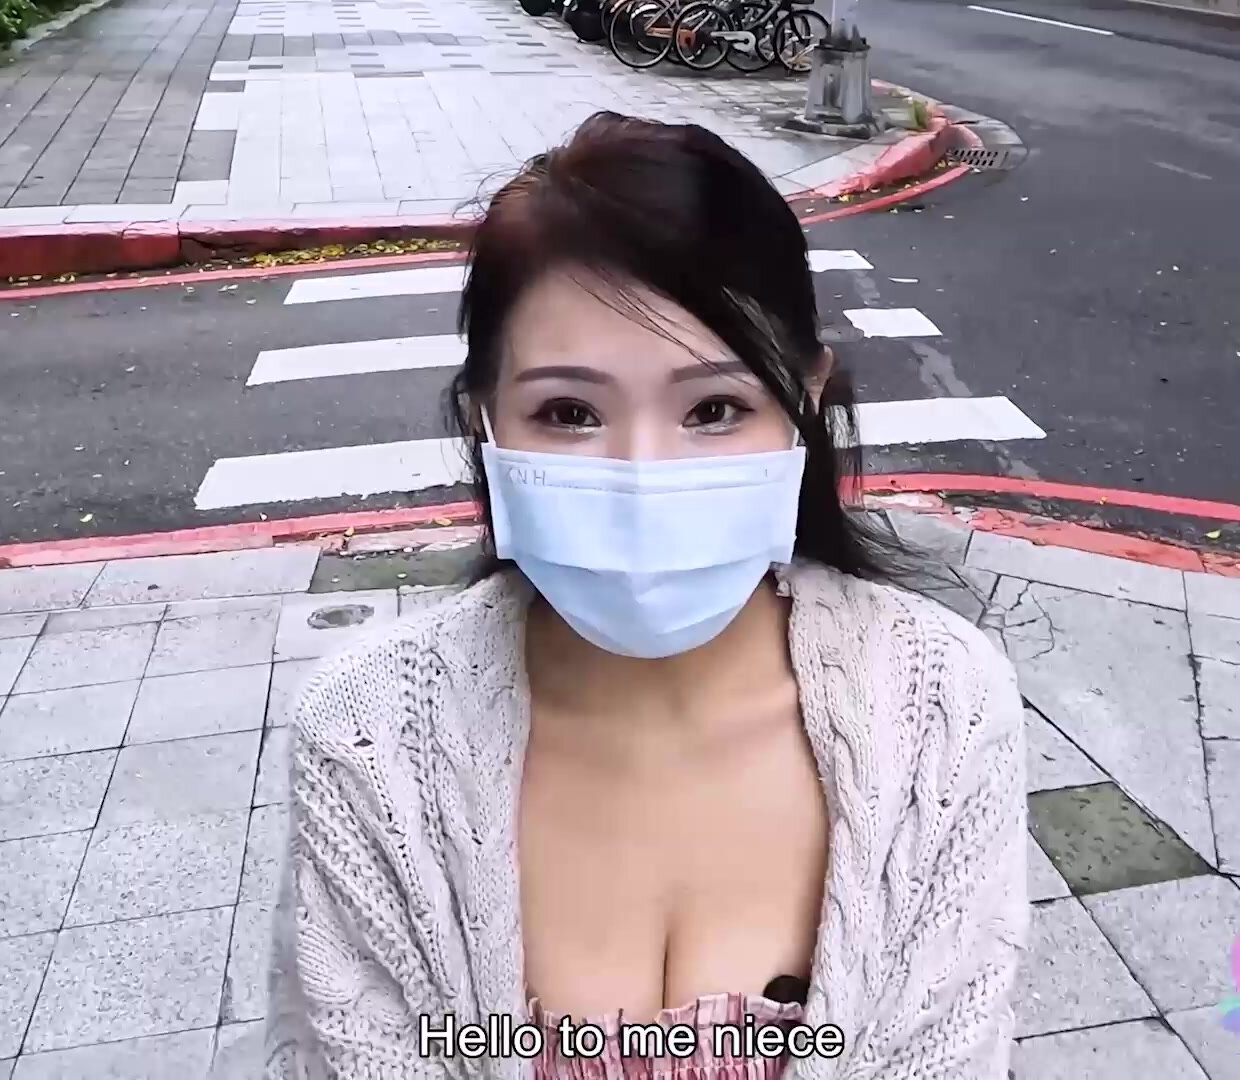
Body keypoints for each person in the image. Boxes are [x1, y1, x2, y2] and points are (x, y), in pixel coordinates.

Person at [256, 111, 1026, 1080]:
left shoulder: (940, 713)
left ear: (804, 404)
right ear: (484, 421)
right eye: (568, 412)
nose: (641, 478)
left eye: (716, 408)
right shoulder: (367, 745)